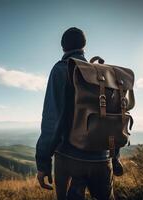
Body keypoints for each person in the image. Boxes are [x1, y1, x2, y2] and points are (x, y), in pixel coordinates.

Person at [36, 27, 123, 200]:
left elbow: (51, 119)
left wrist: (43, 163)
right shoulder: (102, 74)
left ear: (62, 47)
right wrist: (114, 156)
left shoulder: (61, 69)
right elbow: (114, 115)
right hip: (102, 157)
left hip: (68, 157)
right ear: (84, 46)